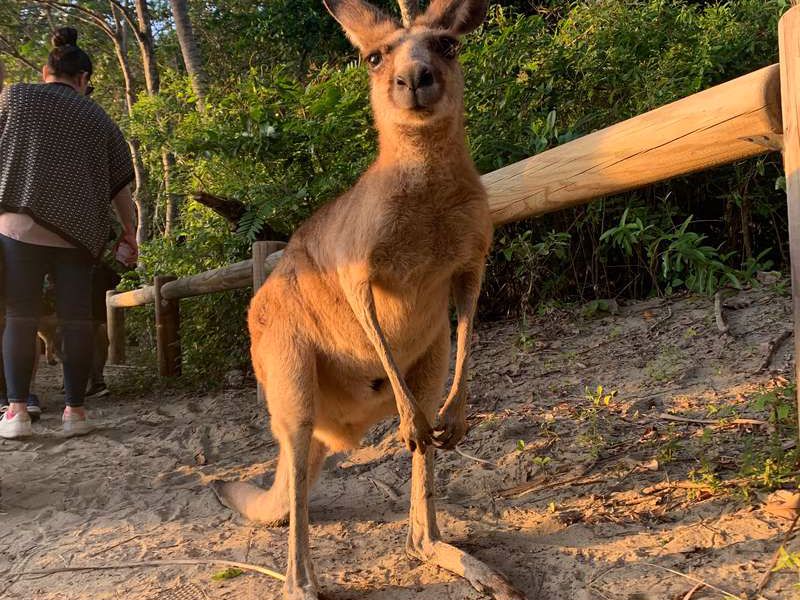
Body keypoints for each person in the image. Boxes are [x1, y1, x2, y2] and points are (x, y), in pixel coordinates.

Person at [0, 27, 138, 439]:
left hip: (17, 227)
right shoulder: (98, 117)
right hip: (77, 236)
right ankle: (75, 412)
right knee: (77, 321)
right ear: (84, 80)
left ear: (46, 71)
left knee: (19, 316)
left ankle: (18, 413)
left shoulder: (14, 97)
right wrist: (130, 233)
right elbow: (121, 188)